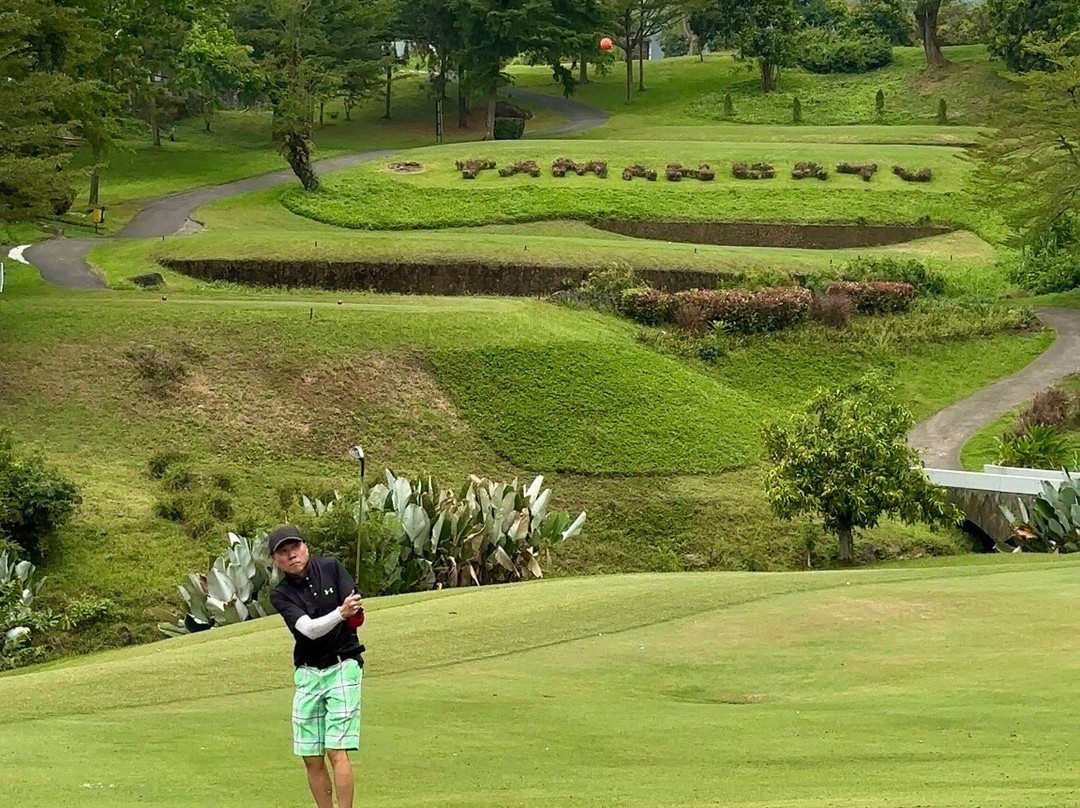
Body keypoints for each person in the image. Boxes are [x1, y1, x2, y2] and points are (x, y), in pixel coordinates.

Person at [268, 524, 365, 808]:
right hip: (308, 672)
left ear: (305, 547)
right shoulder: (281, 594)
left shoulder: (331, 567)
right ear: (276, 560)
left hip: (343, 664)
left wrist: (354, 613)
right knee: (311, 756)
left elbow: (355, 615)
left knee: (336, 750)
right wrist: (340, 613)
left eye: (295, 548)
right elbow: (308, 630)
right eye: (283, 552)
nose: (292, 555)